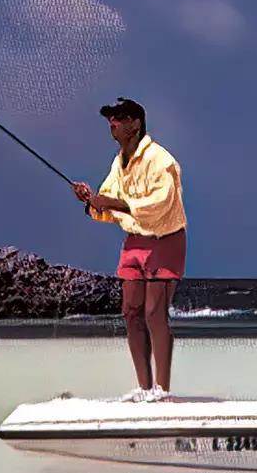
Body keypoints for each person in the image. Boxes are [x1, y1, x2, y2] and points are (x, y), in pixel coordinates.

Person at [71, 97, 187, 402]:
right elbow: (107, 206)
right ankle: (144, 387)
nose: (113, 123)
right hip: (134, 242)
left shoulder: (161, 160)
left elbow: (159, 205)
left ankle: (162, 390)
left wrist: (112, 203)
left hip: (164, 239)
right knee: (131, 312)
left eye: (120, 117)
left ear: (135, 124)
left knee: (154, 314)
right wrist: (91, 201)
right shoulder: (118, 162)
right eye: (110, 118)